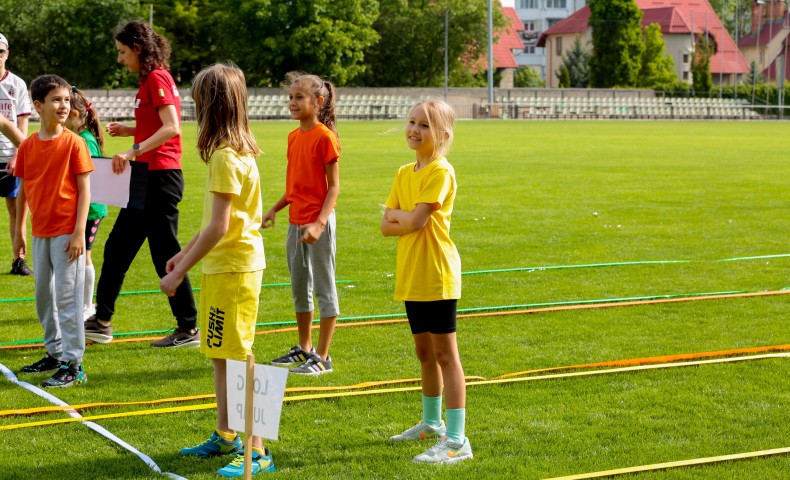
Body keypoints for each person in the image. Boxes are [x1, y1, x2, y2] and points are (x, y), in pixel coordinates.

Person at [160, 63, 273, 477]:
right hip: (221, 267)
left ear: (211, 106)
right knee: (220, 355)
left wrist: (177, 273)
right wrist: (183, 253)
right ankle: (227, 435)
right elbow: (214, 222)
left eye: (196, 105)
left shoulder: (228, 156)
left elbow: (221, 226)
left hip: (236, 270)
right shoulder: (233, 153)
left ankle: (258, 451)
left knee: (241, 357)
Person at [84, 20, 198, 347]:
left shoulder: (157, 77)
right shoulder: (149, 77)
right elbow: (156, 125)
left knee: (165, 254)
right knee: (119, 248)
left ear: (136, 47)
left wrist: (133, 149)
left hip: (159, 177)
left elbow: (172, 127)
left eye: (122, 52)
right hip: (148, 176)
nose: (120, 59)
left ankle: (188, 328)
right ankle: (101, 321)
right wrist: (132, 130)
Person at [380, 100, 473, 464]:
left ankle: (456, 441)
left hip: (437, 274)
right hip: (412, 274)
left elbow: (414, 222)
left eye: (425, 125)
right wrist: (401, 217)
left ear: (444, 135)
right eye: (412, 122)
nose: (414, 130)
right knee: (424, 354)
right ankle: (432, 424)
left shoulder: (441, 171)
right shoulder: (405, 172)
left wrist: (399, 216)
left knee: (445, 355)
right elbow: (385, 226)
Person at [14, 74, 92, 387]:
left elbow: (85, 190)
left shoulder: (75, 143)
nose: (63, 106)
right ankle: (54, 351)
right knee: (43, 296)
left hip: (66, 231)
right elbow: (22, 192)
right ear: (37, 106)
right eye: (55, 100)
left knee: (67, 297)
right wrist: (19, 231)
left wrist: (79, 233)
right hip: (39, 232)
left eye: (65, 100)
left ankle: (73, 364)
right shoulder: (29, 146)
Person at [262, 72, 340, 376]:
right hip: (296, 224)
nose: (292, 102)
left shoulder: (325, 137)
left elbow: (333, 188)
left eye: (299, 97)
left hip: (317, 224)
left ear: (317, 101)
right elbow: (295, 186)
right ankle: (305, 348)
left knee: (324, 288)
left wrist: (320, 224)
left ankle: (323, 356)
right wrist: (275, 209)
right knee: (299, 288)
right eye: (290, 97)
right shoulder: (294, 136)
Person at [66, 87, 107, 320]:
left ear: (74, 115)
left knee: (85, 256)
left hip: (91, 209)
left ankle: (87, 306)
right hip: (83, 206)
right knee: (79, 256)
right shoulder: (79, 138)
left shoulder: (85, 140)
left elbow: (92, 178)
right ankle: (79, 302)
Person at [0, 33, 33, 276]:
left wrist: (17, 154)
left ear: (7, 54)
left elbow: (23, 123)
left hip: (9, 155)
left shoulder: (17, 84)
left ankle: (18, 260)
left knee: (17, 209)